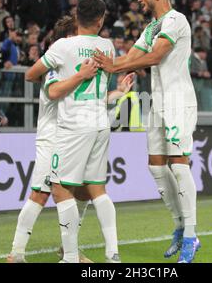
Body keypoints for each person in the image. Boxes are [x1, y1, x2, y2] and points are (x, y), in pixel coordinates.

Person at [7, 14, 134, 263]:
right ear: (68, 37)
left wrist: (118, 92)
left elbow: (86, 97)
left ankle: (69, 249)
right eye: (76, 36)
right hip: (53, 136)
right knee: (41, 194)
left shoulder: (73, 60)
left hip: (76, 135)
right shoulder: (55, 67)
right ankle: (17, 252)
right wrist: (82, 74)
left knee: (84, 192)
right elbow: (54, 91)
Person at [94, 0, 200, 263]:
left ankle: (191, 235)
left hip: (179, 101)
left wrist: (113, 65)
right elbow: (132, 57)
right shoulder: (152, 27)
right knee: (155, 165)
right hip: (157, 102)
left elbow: (154, 57)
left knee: (179, 166)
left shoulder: (176, 20)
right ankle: (179, 224)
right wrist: (110, 66)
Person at [40, 0, 123, 264]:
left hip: (74, 124)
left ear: (76, 16)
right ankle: (113, 254)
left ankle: (70, 258)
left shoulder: (64, 46)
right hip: (101, 122)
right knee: (97, 188)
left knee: (60, 188)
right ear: (100, 20)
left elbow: (37, 74)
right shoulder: (107, 46)